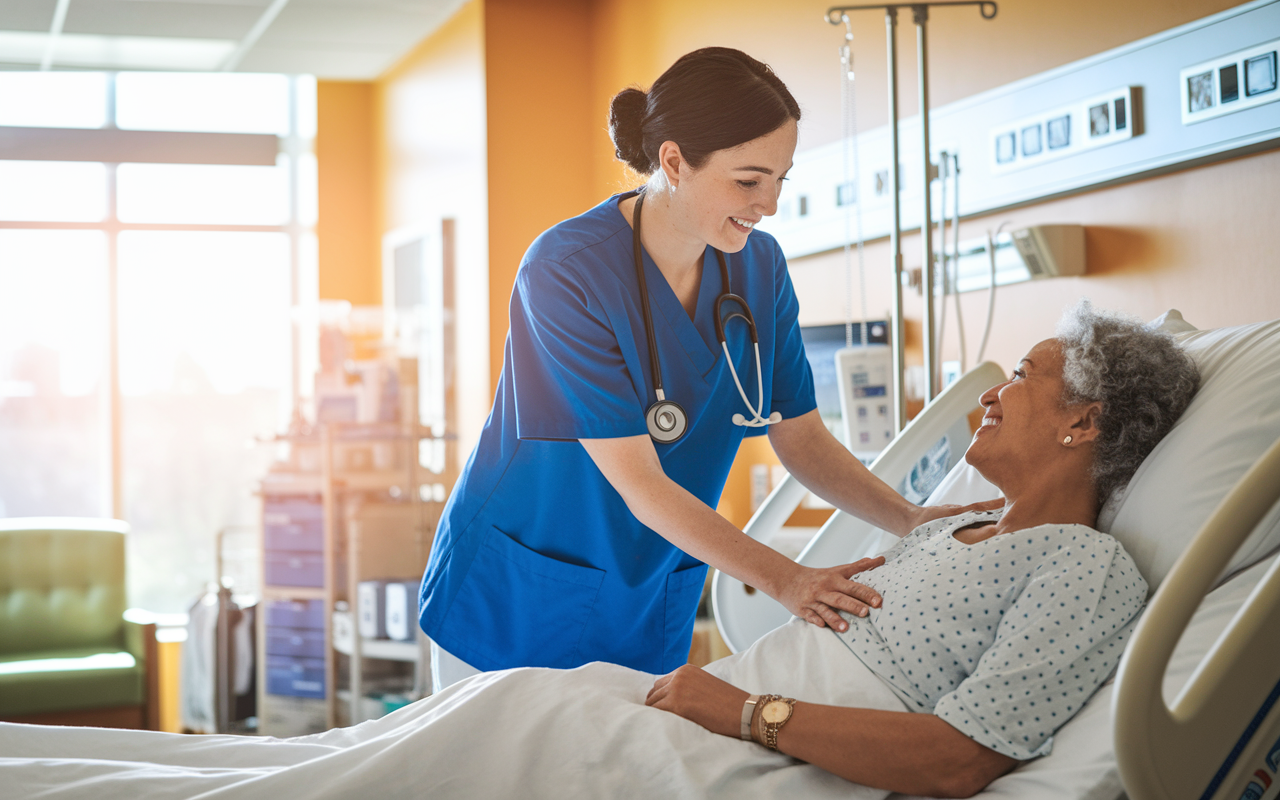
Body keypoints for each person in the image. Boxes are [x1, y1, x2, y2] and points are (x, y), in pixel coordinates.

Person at [0, 302, 1200, 800]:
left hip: (765, 754)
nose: (989, 394)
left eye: (1025, 380)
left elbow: (954, 757)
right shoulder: (961, 530)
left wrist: (745, 714)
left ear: (1086, 422)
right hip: (710, 708)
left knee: (459, 735)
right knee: (364, 748)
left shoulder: (1082, 571)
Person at [418, 46, 986, 689]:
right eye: (748, 180)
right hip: (520, 589)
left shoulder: (759, 266)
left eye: (780, 179)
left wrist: (909, 519)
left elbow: (799, 434)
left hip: (647, 588)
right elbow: (641, 483)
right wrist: (788, 580)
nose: (768, 204)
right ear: (673, 161)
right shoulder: (565, 270)